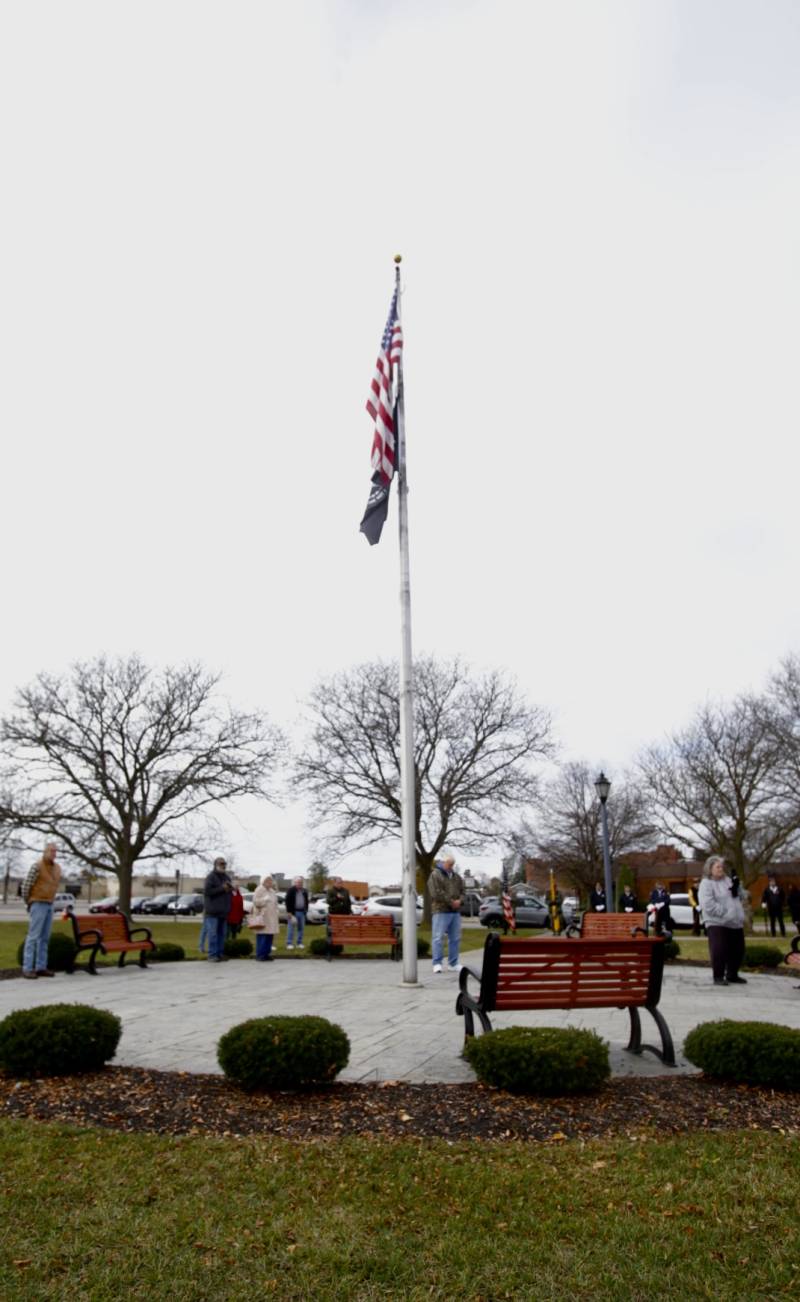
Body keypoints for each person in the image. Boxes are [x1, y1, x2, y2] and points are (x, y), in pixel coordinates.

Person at [697, 854, 746, 986]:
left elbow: (742, 897)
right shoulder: (706, 883)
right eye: (718, 866)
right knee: (719, 949)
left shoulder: (728, 880)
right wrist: (725, 912)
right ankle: (718, 976)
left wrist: (738, 888)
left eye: (722, 866)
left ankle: (732, 974)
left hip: (734, 921)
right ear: (710, 868)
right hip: (716, 922)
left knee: (738, 949)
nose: (721, 869)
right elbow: (707, 904)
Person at [20, 842, 62, 979]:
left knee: (45, 938)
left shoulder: (57, 868)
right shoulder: (37, 866)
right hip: (38, 903)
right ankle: (27, 968)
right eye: (51, 851)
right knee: (33, 936)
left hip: (50, 904)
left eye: (55, 851)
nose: (53, 854)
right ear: (45, 852)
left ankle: (41, 967)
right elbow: (26, 886)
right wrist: (29, 902)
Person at [427, 853, 463, 974]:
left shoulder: (457, 877)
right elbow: (435, 892)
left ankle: (453, 963)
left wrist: (460, 901)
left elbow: (464, 891)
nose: (450, 866)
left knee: (455, 938)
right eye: (449, 864)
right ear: (444, 862)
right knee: (438, 938)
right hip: (440, 911)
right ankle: (437, 963)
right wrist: (451, 901)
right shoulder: (435, 875)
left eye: (452, 864)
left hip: (455, 912)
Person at [203, 856, 232, 962]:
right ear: (215, 865)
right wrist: (222, 888)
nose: (223, 865)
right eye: (221, 864)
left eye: (224, 864)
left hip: (223, 911)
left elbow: (228, 893)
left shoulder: (227, 877)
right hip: (212, 911)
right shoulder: (210, 877)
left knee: (222, 935)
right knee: (213, 934)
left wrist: (232, 889)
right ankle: (212, 955)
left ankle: (219, 954)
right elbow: (207, 892)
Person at [251, 875, 279, 960]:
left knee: (269, 936)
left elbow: (275, 903)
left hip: (272, 917)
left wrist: (277, 910)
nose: (270, 882)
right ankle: (260, 955)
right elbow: (256, 902)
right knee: (262, 935)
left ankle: (267, 954)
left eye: (271, 881)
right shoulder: (259, 889)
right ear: (263, 881)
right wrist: (264, 900)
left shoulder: (272, 891)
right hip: (263, 917)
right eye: (268, 881)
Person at [285, 876, 308, 950]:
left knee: (301, 929)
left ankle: (299, 943)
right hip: (293, 912)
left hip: (302, 912)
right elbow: (287, 901)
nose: (299, 884)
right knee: (291, 928)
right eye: (298, 882)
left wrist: (306, 910)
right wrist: (289, 912)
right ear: (295, 883)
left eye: (301, 882)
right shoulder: (291, 890)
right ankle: (289, 943)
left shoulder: (304, 891)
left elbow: (306, 901)